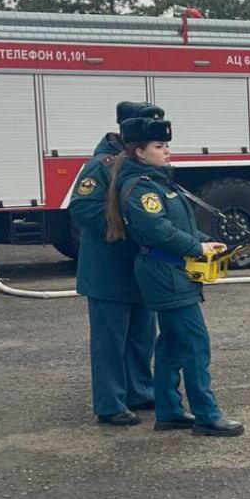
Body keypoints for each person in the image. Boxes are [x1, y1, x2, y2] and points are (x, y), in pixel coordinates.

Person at [105, 115, 245, 437]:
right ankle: (207, 414)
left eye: (166, 144)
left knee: (170, 341)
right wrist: (197, 247)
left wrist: (203, 241)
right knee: (195, 342)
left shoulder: (158, 182)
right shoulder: (142, 189)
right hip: (164, 272)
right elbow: (157, 231)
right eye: (159, 146)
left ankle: (168, 410)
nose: (166, 150)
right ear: (140, 152)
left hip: (172, 270)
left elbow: (178, 225)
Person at [69, 102, 162, 427]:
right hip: (108, 270)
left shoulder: (146, 164)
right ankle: (110, 403)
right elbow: (81, 208)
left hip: (139, 268)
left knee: (141, 334)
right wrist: (123, 226)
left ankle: (138, 391)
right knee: (110, 340)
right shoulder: (102, 166)